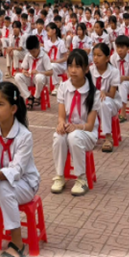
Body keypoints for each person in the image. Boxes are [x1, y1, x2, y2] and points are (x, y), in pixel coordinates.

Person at [0, 82, 39, 257]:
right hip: (1, 179)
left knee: (3, 186)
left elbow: (17, 170)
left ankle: (17, 244)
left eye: (0, 104)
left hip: (26, 184)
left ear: (13, 109)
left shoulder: (24, 135)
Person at [50, 49, 99, 196]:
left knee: (74, 136)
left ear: (86, 69)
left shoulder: (93, 93)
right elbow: (61, 116)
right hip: (70, 130)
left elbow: (90, 125)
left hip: (87, 134)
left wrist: (75, 127)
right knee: (58, 136)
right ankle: (59, 176)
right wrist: (61, 124)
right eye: (70, 66)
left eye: (78, 67)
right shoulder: (64, 87)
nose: (73, 70)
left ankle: (81, 178)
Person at [91, 44, 121, 153]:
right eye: (94, 55)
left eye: (99, 55)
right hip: (95, 101)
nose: (95, 58)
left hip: (111, 102)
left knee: (104, 102)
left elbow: (112, 94)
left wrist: (103, 93)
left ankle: (108, 136)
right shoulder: (90, 70)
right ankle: (91, 136)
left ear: (107, 58)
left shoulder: (114, 72)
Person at [12, 35, 51, 107]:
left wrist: (39, 72)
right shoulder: (28, 55)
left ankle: (37, 96)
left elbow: (50, 72)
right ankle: (29, 97)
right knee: (17, 76)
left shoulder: (44, 56)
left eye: (34, 51)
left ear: (39, 47)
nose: (32, 54)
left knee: (39, 77)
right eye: (30, 52)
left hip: (41, 79)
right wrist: (24, 72)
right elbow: (24, 68)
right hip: (31, 77)